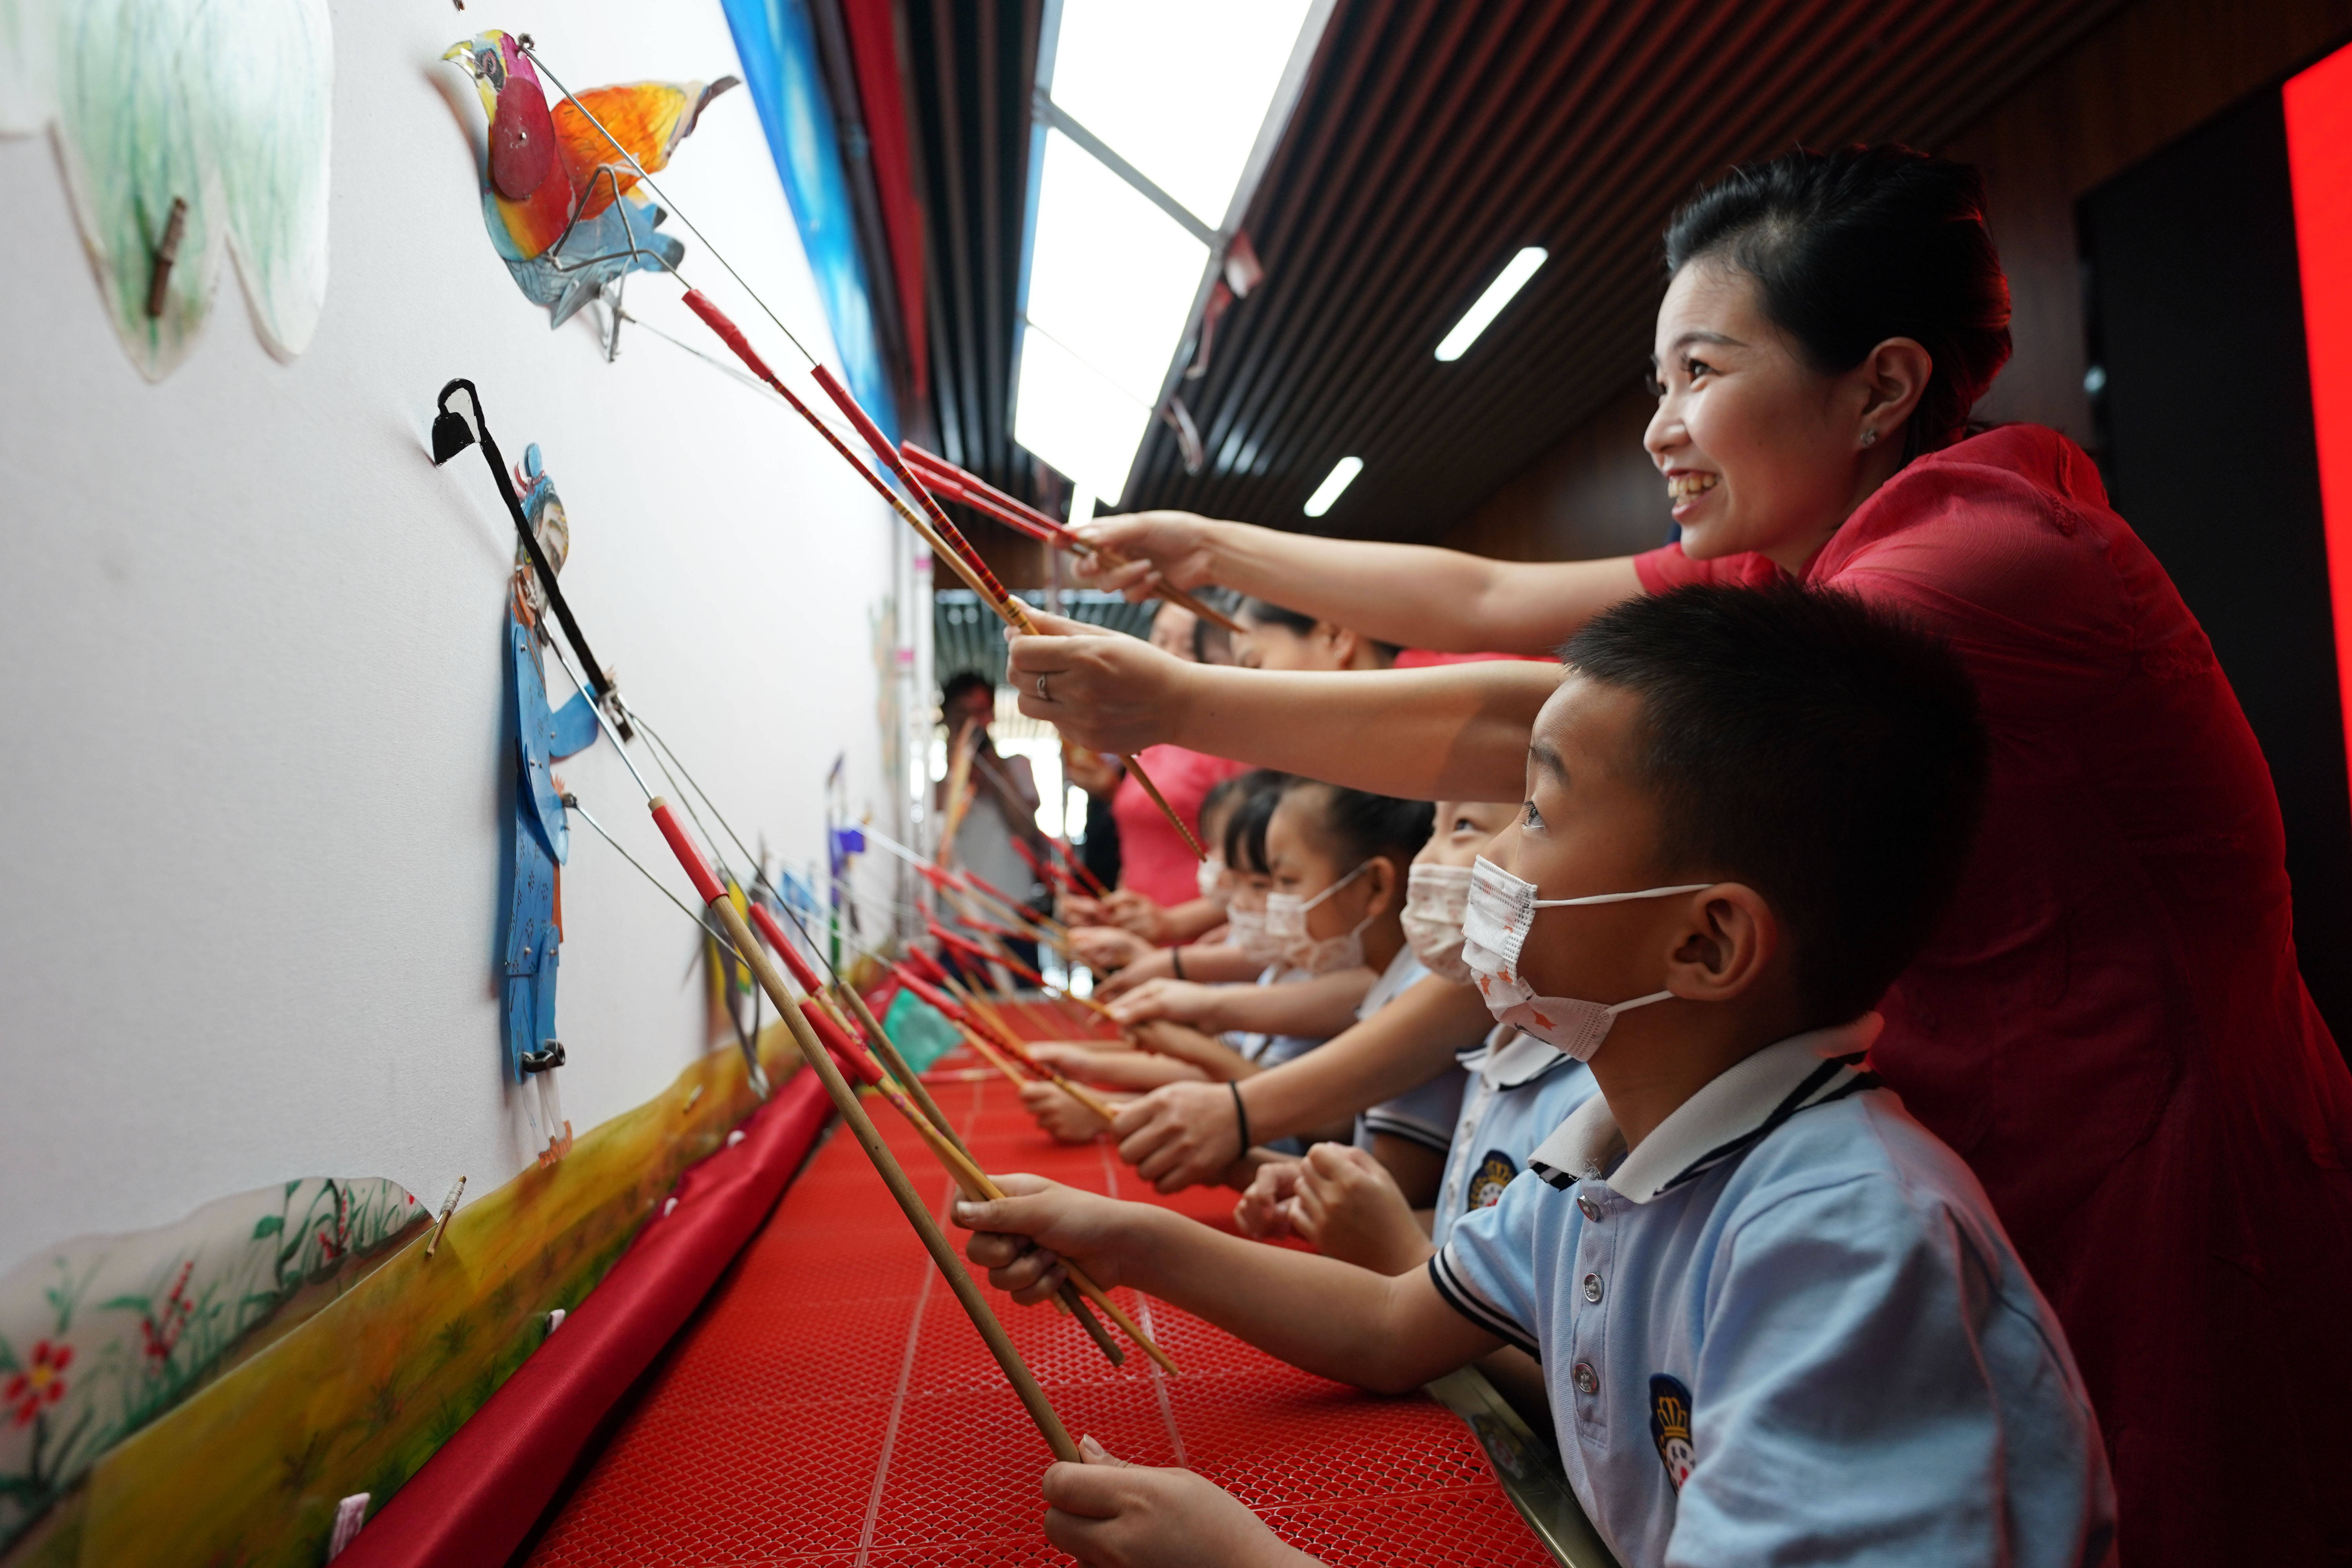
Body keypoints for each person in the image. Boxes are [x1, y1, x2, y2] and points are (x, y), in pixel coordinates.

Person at [1008, 145, 2352, 1564]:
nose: (1660, 424)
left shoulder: (1953, 573)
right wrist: (1212, 548)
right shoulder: (1809, 566)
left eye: (1699, 373)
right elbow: (1486, 602)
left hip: (2132, 1138)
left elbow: (1535, 709)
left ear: (1880, 386)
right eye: (1658, 382)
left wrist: (1176, 698)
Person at [963, 584, 2113, 1568]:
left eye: (1531, 811)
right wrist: (1123, 1243)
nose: (1484, 862)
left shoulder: (1843, 1241)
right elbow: (1389, 1320)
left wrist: (1243, 1553)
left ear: (1704, 945)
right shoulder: (1602, 1148)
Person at [934, 671, 1045, 979]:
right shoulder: (941, 783)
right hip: (957, 925)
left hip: (1011, 920)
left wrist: (997, 772)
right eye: (963, 716)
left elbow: (1024, 827)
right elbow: (939, 835)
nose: (974, 724)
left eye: (980, 713)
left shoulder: (1017, 767)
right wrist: (957, 767)